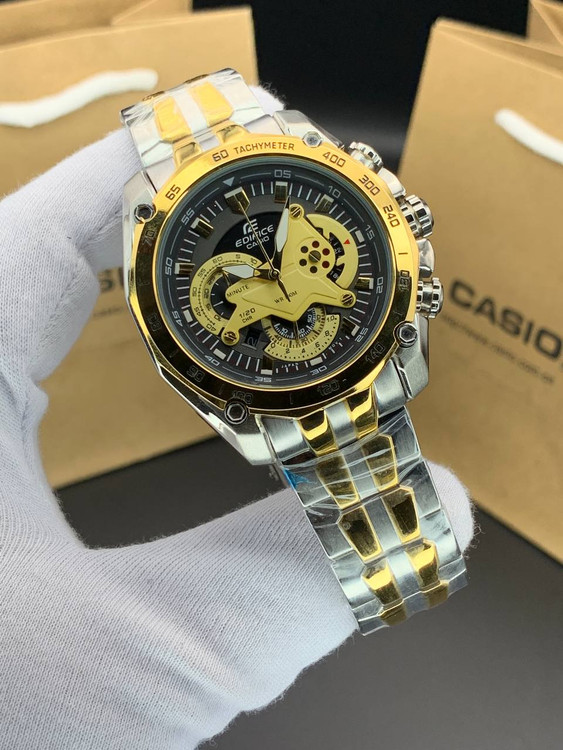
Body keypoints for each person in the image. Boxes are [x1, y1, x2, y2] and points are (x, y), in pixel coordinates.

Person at [0, 86, 473, 749]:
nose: (275, 268)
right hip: (279, 387)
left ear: (401, 222)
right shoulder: (194, 295)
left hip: (355, 359)